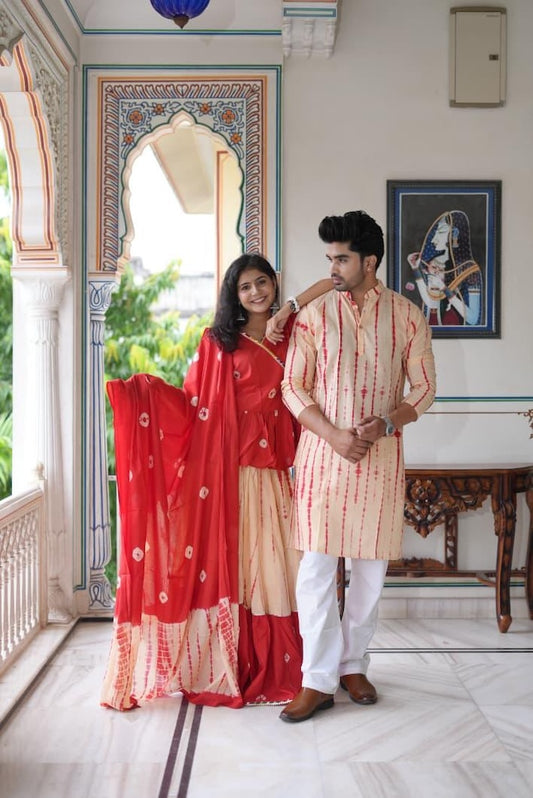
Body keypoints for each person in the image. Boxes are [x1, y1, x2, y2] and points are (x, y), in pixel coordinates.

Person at [100, 253, 332, 711]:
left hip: (275, 478)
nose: (255, 293)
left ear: (273, 283)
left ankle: (295, 669)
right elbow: (193, 406)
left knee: (280, 571)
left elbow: (329, 282)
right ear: (233, 295)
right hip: (227, 478)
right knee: (242, 571)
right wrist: (145, 395)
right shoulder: (219, 343)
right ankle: (234, 662)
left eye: (261, 283)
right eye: (244, 287)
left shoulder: (291, 337)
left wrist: (290, 307)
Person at [279, 211, 436, 723]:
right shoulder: (315, 316)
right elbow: (292, 386)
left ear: (369, 262)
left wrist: (387, 424)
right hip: (325, 461)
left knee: (369, 576)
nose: (332, 267)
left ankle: (352, 666)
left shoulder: (408, 316)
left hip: (380, 462)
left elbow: (425, 389)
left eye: (341, 258)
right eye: (329, 259)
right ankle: (317, 680)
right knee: (317, 574)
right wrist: (335, 436)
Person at [407, 210, 482, 326]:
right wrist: (415, 269)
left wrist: (444, 288)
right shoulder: (436, 262)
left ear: (454, 235)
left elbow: (473, 319)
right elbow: (431, 303)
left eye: (441, 232)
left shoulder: (470, 271)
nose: (434, 239)